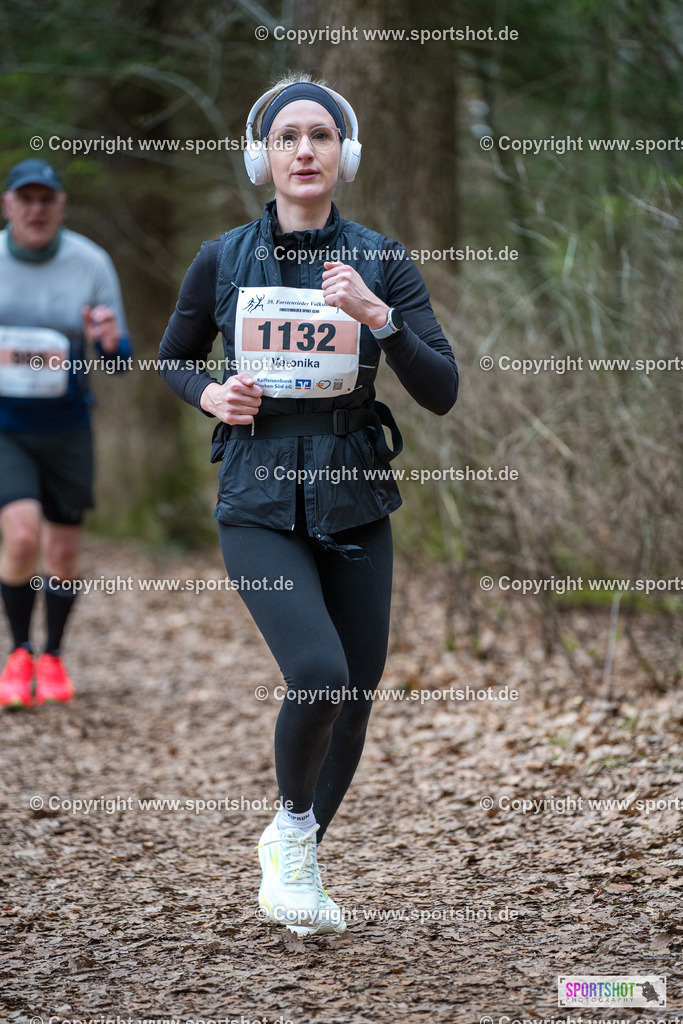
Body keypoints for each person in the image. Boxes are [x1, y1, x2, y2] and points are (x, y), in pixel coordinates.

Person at [158, 74, 458, 935]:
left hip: (354, 496)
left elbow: (440, 391)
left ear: (342, 156)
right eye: (287, 137)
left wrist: (382, 320)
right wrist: (212, 396)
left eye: (320, 136)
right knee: (318, 675)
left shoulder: (383, 261)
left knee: (354, 696)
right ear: (263, 156)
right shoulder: (218, 257)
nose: (303, 151)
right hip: (256, 500)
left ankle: (297, 853)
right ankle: (291, 832)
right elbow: (173, 358)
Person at [0, 159, 131, 708]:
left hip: (69, 426)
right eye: (24, 199)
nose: (35, 209)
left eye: (45, 199)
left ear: (61, 205)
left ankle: (52, 656)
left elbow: (122, 359)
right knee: (23, 536)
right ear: (7, 205)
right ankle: (18, 653)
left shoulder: (91, 263)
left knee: (64, 552)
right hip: (6, 426)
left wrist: (108, 340)